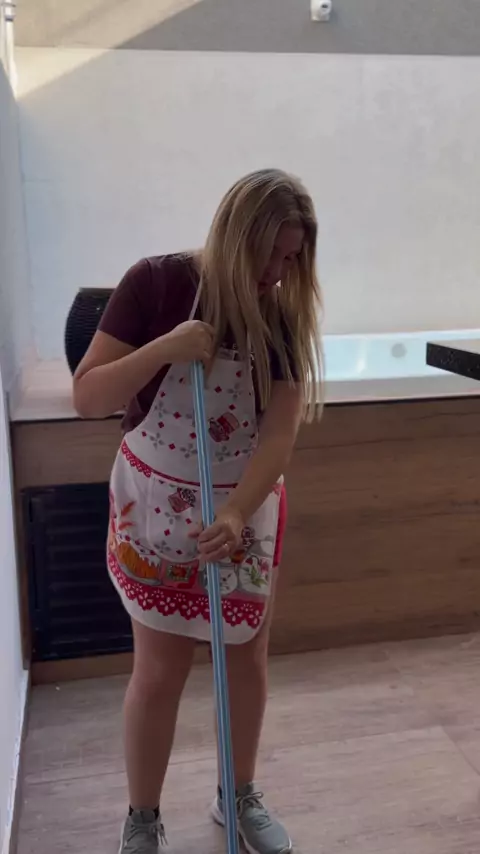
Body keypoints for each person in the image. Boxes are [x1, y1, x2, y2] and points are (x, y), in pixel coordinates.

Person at [73, 168, 322, 854]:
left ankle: (237, 794)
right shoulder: (154, 284)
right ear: (234, 236)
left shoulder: (281, 311)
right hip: (156, 505)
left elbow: (279, 432)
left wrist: (238, 512)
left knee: (244, 660)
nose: (277, 273)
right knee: (159, 671)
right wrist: (167, 348)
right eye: (268, 254)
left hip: (242, 508)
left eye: (291, 258)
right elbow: (88, 397)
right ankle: (142, 816)